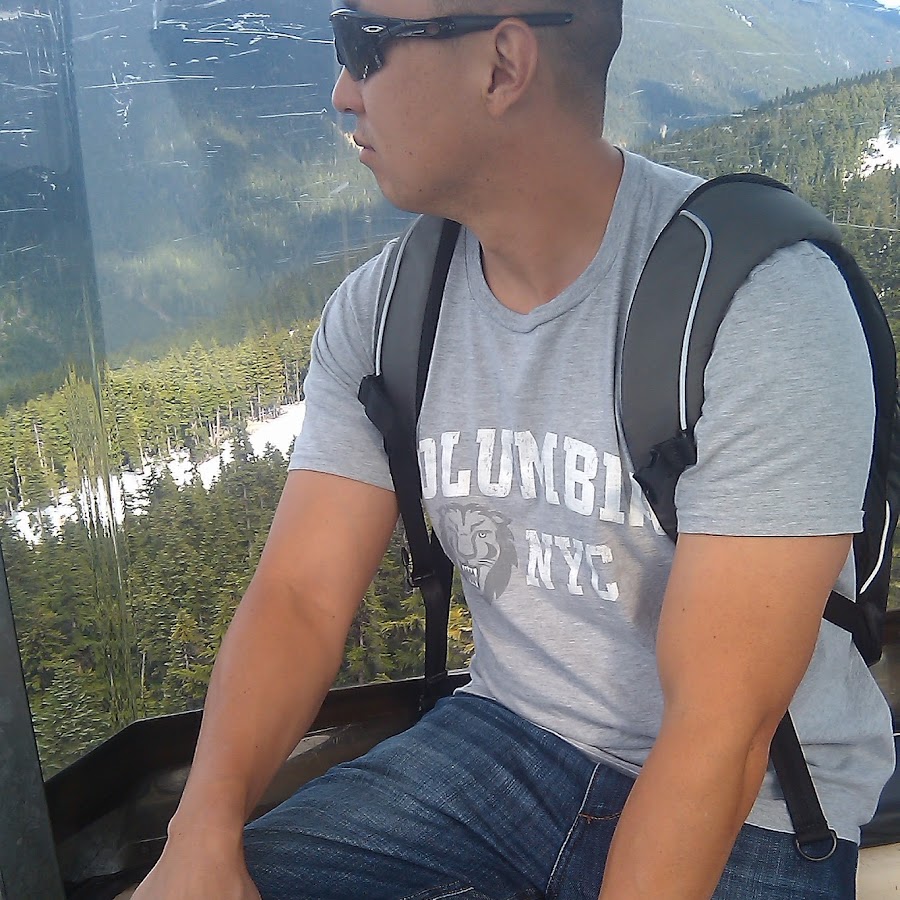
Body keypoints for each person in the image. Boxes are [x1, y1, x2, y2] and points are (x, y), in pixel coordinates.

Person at [132, 0, 895, 897]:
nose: (341, 92)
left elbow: (720, 729)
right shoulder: (387, 315)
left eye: (363, 46)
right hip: (502, 739)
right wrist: (201, 829)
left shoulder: (757, 304)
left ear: (501, 66)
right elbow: (301, 597)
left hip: (753, 805)